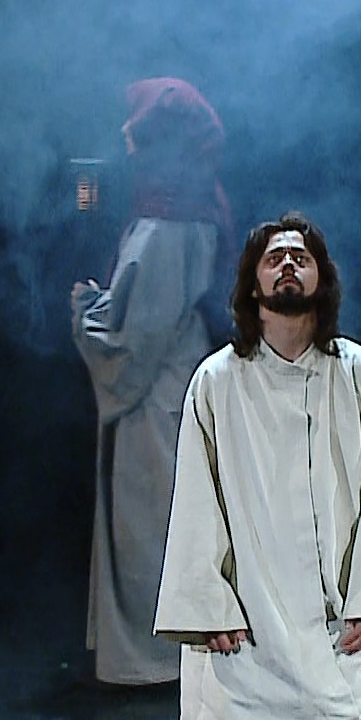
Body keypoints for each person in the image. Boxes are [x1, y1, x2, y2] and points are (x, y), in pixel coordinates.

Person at [155, 213, 361, 720]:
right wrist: (208, 604)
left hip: (334, 622)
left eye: (301, 258)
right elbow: (196, 501)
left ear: (321, 280)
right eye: (274, 258)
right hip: (250, 623)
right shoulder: (217, 382)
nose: (287, 264)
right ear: (251, 285)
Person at [72, 78, 230, 685]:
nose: (124, 132)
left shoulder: (171, 222)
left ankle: (161, 658)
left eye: (136, 122)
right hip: (166, 384)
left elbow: (139, 335)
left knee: (154, 528)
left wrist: (87, 318)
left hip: (157, 393)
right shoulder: (177, 206)